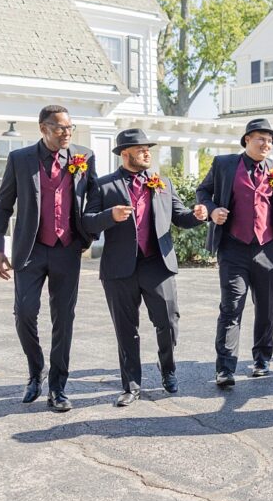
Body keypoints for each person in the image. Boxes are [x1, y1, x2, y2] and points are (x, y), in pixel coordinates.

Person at [82, 129, 208, 406]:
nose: (147, 152)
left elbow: (181, 217)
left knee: (168, 322)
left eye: (148, 148)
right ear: (125, 154)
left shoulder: (162, 183)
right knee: (126, 329)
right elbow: (87, 222)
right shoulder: (103, 186)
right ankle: (131, 385)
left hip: (157, 265)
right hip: (118, 269)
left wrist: (198, 215)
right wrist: (109, 216)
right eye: (141, 149)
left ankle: (169, 371)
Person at [0, 104, 97, 412]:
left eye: (70, 128)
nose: (67, 133)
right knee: (24, 313)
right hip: (31, 250)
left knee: (64, 319)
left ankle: (58, 388)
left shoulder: (84, 157)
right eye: (60, 128)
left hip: (67, 249)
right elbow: (2, 206)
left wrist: (88, 236)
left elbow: (95, 198)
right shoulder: (20, 159)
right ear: (43, 129)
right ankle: (36, 371)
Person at [196, 118, 273, 388]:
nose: (267, 144)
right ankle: (225, 368)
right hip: (234, 248)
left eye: (270, 140)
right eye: (261, 138)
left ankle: (262, 359)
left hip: (267, 249)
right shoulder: (224, 164)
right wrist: (212, 210)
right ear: (247, 139)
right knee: (231, 307)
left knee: (266, 308)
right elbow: (203, 191)